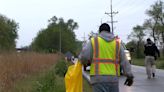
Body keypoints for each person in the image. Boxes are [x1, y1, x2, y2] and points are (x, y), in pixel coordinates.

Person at [79, 23, 134, 92]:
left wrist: (84, 62)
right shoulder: (117, 44)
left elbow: (84, 57)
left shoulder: (94, 41)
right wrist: (130, 76)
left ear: (100, 31)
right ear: (109, 31)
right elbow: (125, 61)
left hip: (98, 79)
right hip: (113, 79)